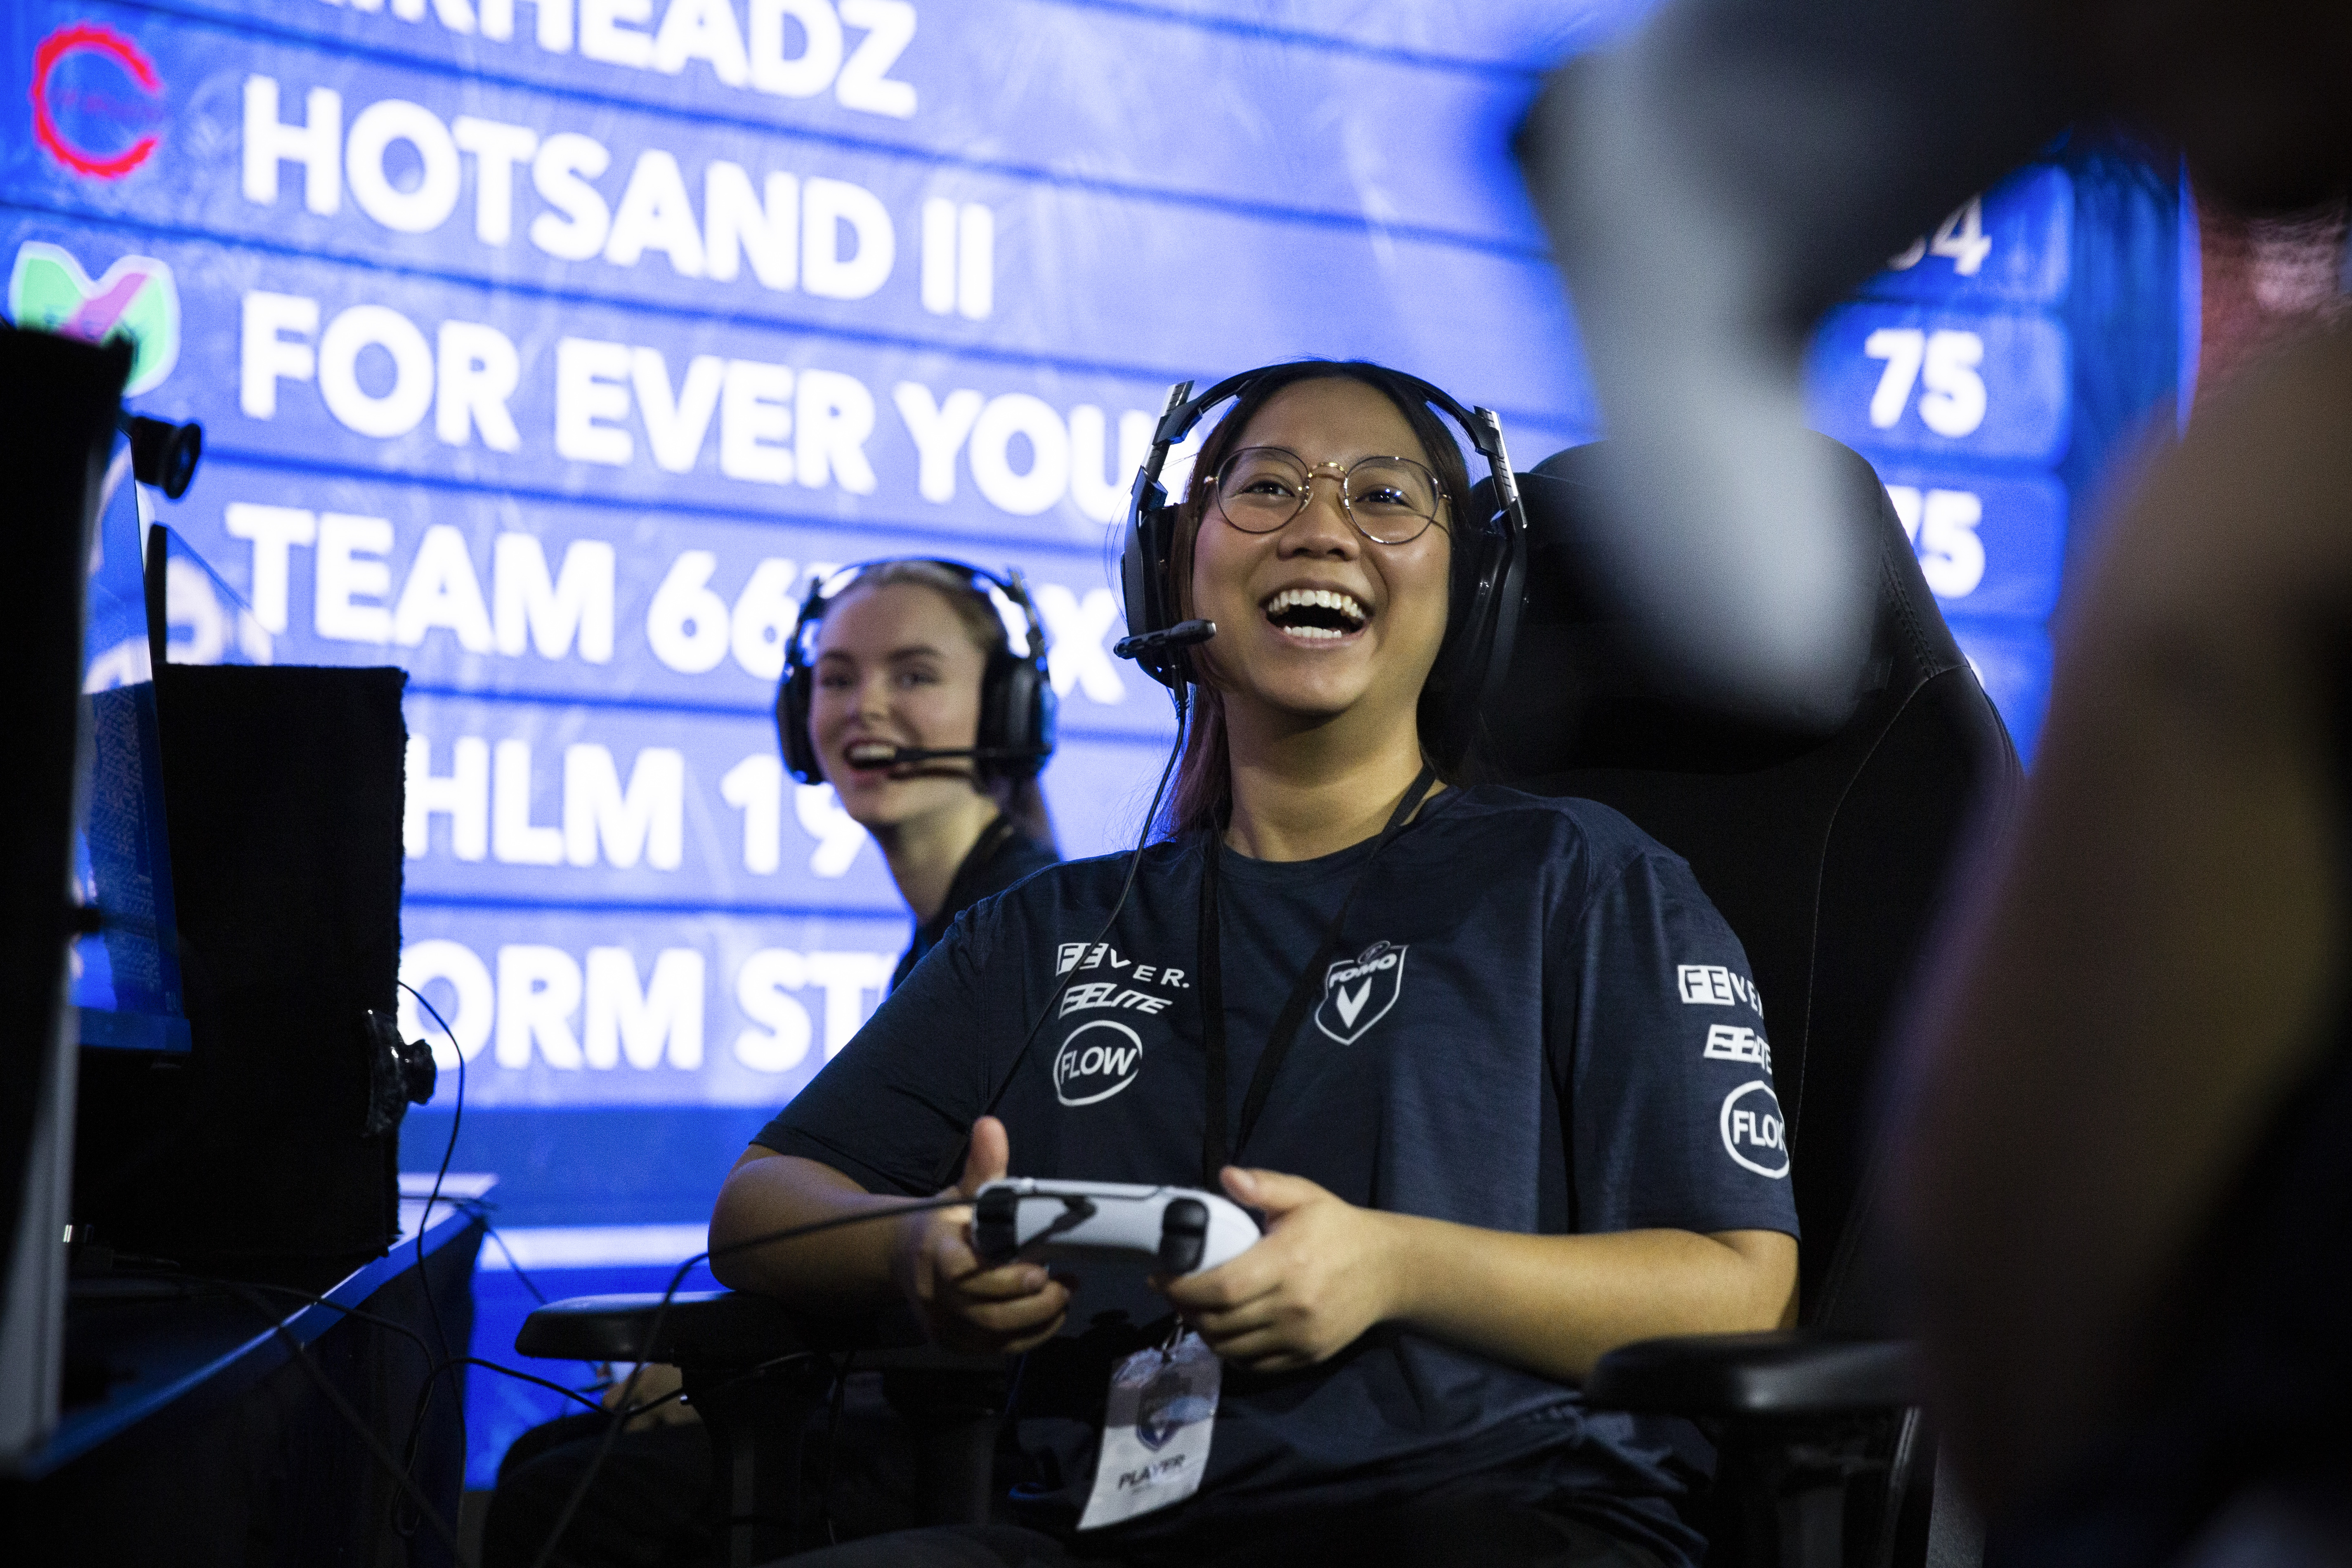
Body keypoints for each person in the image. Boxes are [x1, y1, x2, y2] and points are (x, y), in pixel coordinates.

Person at [710, 361, 1801, 1568]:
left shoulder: (1581, 880)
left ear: (1474, 591)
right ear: (1172, 569)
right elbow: (760, 1204)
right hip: (1107, 1535)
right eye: (1266, 489)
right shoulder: (1045, 929)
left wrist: (1394, 1267)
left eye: (1385, 499)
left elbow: (1740, 1291)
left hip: (1488, 1511)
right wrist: (915, 1248)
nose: (1320, 529)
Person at [483, 559, 1063, 1568]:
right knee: (560, 1463)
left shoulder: (1015, 928)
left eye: (914, 674)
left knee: (564, 1494)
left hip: (982, 1429)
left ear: (1009, 710)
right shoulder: (963, 923)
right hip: (912, 1393)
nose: (864, 707)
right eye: (835, 678)